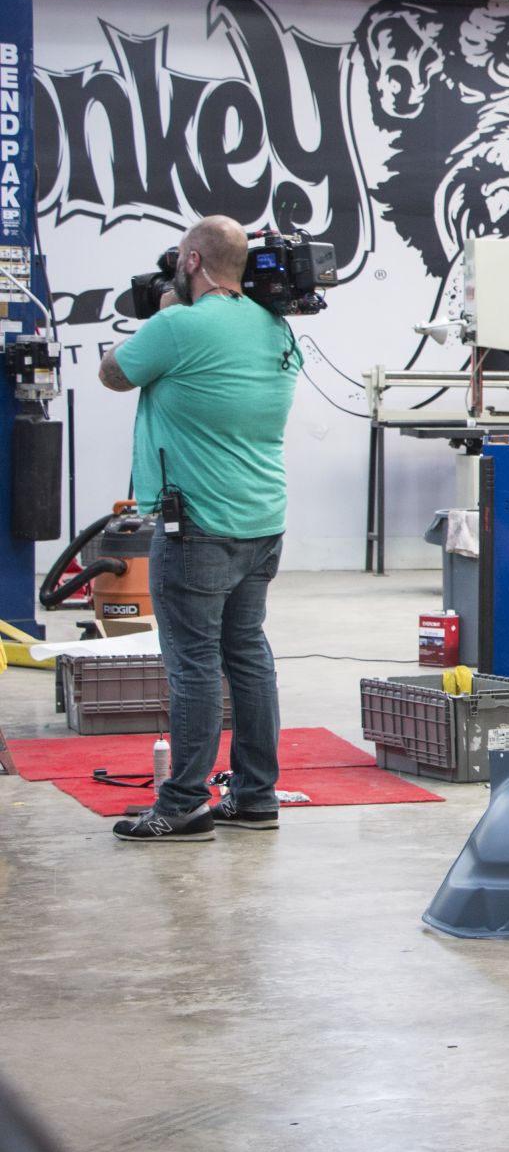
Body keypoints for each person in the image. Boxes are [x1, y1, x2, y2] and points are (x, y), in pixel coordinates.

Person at [99, 215, 301, 841]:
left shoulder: (178, 326)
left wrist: (162, 312)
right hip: (263, 518)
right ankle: (256, 796)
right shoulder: (277, 327)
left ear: (190, 261)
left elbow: (113, 372)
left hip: (199, 527)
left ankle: (184, 801)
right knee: (247, 656)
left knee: (192, 666)